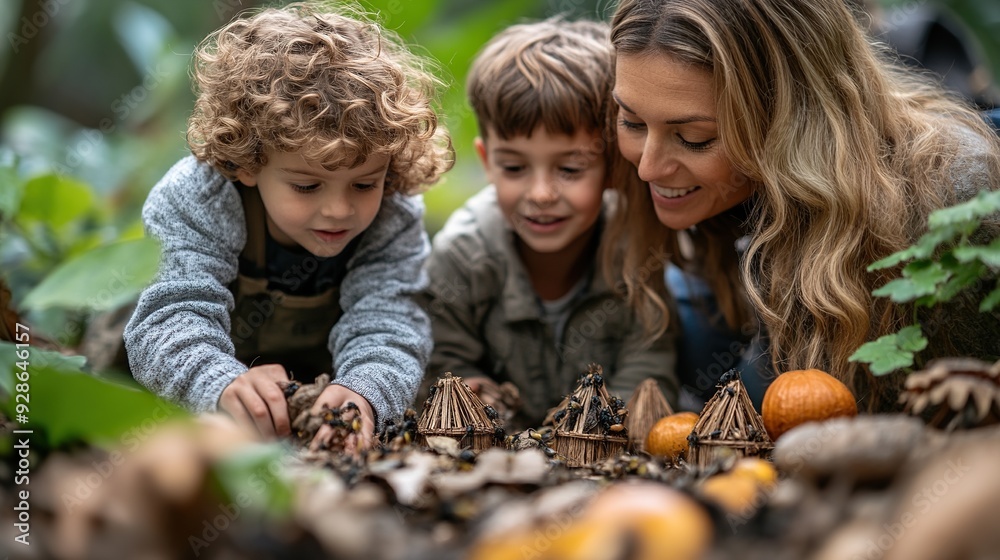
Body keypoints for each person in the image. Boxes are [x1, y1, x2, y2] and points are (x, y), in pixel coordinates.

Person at [607, 0, 1000, 413]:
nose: (648, 168)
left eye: (695, 137)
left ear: (794, 122)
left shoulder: (952, 199)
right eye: (632, 122)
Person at [124, 2, 453, 449]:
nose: (339, 210)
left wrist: (366, 393)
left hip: (312, 390)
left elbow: (391, 320)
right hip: (194, 396)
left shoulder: (392, 216)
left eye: (363, 184)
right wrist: (220, 384)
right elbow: (170, 315)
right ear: (250, 162)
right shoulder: (199, 198)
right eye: (306, 186)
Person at [421, 18, 678, 429]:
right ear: (488, 162)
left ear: (611, 163)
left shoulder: (635, 248)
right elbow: (440, 363)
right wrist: (481, 400)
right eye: (514, 167)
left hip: (603, 455)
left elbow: (650, 365)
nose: (540, 194)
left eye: (570, 169)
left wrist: (600, 429)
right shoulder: (464, 255)